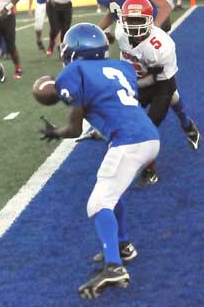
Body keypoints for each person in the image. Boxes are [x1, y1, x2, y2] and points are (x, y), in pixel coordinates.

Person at [36, 23, 160, 298]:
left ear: (72, 50)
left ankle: (114, 267)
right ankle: (123, 246)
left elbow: (75, 128)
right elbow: (118, 100)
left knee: (99, 201)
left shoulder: (73, 71)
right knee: (112, 192)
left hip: (129, 140)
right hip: (148, 136)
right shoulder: (121, 68)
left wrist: (54, 132)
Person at [115, 0, 200, 184]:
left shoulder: (162, 46)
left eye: (139, 20)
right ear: (123, 19)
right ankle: (187, 124)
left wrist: (132, 85)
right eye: (131, 20)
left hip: (160, 83)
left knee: (148, 126)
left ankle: (150, 170)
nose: (134, 26)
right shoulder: (121, 33)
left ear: (150, 21)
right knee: (126, 119)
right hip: (135, 78)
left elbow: (160, 80)